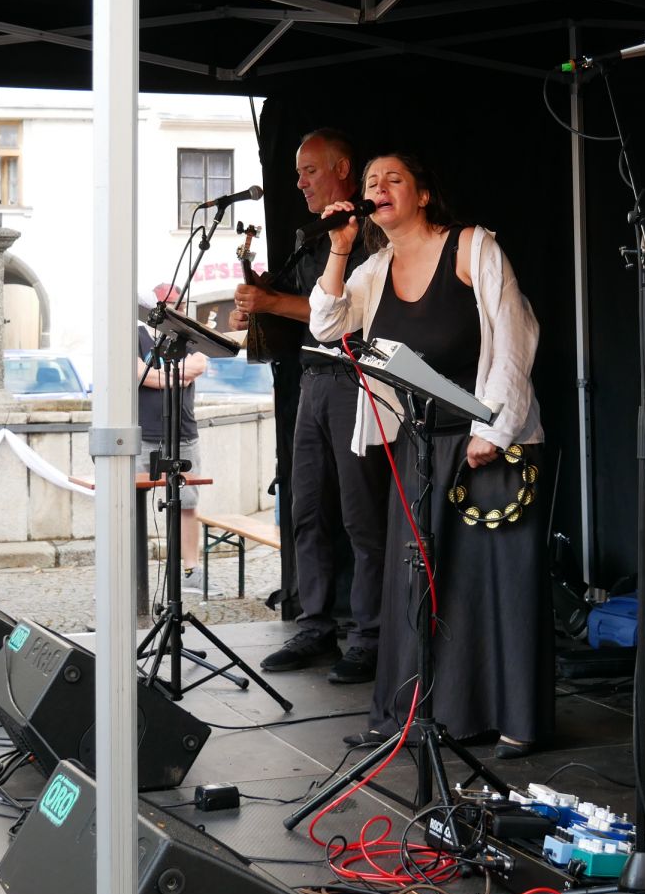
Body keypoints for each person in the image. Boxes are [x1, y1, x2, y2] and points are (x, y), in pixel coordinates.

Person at [310, 153, 551, 759]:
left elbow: (515, 336)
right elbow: (326, 325)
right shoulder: (374, 268)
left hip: (486, 442)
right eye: (371, 182)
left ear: (421, 194)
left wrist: (494, 428)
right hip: (419, 445)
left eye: (393, 179)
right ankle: (419, 714)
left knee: (491, 583)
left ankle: (513, 719)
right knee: (420, 583)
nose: (379, 188)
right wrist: (338, 250)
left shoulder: (470, 246)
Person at [233, 129, 389, 684]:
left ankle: (371, 637)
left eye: (310, 171)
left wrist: (273, 301)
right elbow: (297, 307)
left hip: (356, 380)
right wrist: (256, 305)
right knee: (306, 509)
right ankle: (315, 624)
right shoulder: (308, 236)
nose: (299, 182)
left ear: (343, 169)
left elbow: (338, 311)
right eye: (297, 172)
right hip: (311, 382)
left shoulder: (371, 232)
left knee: (361, 516)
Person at [138, 284, 209, 594]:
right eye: (169, 303)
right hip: (144, 433)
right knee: (133, 503)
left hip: (184, 434)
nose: (176, 309)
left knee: (188, 503)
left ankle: (191, 570)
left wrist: (158, 376)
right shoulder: (135, 336)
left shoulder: (189, 337)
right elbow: (139, 375)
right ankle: (132, 571)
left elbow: (199, 364)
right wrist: (179, 374)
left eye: (179, 303)